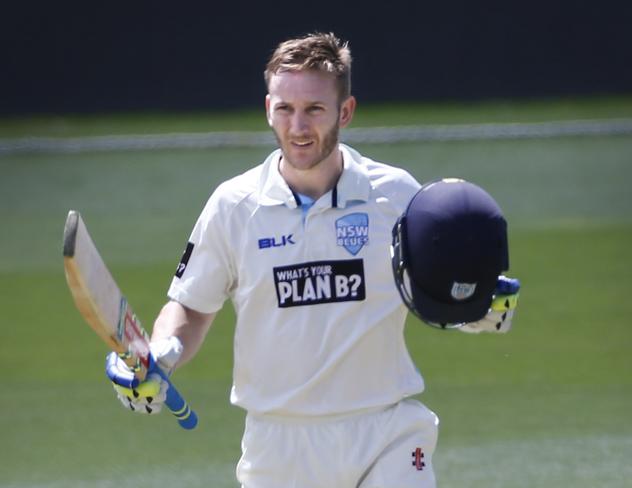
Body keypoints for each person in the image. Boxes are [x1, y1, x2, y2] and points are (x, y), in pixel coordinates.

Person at [108, 32, 518, 488]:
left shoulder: (396, 196)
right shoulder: (234, 205)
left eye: (314, 110)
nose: (298, 126)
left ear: (345, 112)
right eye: (285, 109)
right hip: (278, 447)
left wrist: (477, 307)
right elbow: (191, 306)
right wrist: (163, 353)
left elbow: (440, 283)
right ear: (269, 109)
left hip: (386, 432)